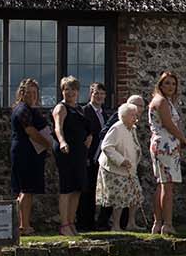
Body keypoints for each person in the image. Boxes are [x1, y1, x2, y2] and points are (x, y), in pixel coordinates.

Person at [9, 79, 53, 236]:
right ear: (22, 93)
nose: (33, 95)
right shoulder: (22, 110)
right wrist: (47, 144)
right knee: (25, 189)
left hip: (32, 152)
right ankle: (23, 226)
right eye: (29, 92)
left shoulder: (31, 109)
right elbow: (31, 131)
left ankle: (24, 224)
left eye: (35, 92)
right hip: (24, 152)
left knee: (28, 190)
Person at [51, 76, 93, 237]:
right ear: (62, 91)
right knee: (67, 187)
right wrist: (62, 142)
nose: (70, 92)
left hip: (79, 152)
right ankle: (64, 225)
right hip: (66, 151)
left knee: (77, 188)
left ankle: (71, 222)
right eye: (66, 89)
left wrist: (89, 137)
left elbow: (87, 129)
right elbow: (58, 128)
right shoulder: (61, 108)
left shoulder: (80, 109)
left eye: (73, 89)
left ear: (77, 91)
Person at [95, 100, 145, 231]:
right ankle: (116, 226)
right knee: (119, 198)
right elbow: (106, 146)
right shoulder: (117, 128)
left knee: (135, 195)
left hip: (130, 169)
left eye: (136, 115)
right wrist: (121, 160)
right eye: (132, 115)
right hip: (115, 169)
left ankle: (131, 223)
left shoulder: (132, 129)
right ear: (123, 116)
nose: (135, 117)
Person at [148, 71, 186, 235]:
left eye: (173, 83)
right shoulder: (161, 101)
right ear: (160, 85)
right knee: (167, 185)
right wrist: (183, 139)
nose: (171, 86)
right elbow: (168, 124)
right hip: (165, 144)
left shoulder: (165, 101)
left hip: (165, 144)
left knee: (162, 184)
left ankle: (158, 223)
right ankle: (167, 224)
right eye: (167, 83)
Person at [81, 82, 114, 230]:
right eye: (96, 93)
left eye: (102, 94)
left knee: (99, 191)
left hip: (101, 158)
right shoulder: (85, 111)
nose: (99, 96)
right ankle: (85, 222)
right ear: (91, 94)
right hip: (89, 157)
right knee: (87, 191)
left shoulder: (104, 114)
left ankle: (98, 222)